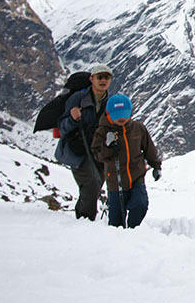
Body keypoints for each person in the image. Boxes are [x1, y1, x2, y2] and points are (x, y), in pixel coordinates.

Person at [91, 93, 162, 228]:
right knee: (116, 222)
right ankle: (118, 240)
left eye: (124, 114)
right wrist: (108, 145)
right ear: (109, 115)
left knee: (140, 204)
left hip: (136, 177)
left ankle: (133, 231)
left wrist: (156, 166)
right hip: (115, 182)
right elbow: (97, 154)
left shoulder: (138, 128)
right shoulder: (103, 131)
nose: (122, 119)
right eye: (118, 116)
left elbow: (149, 148)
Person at [55, 63, 113, 221]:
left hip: (98, 151)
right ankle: (85, 221)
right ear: (91, 79)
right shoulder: (78, 98)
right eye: (99, 77)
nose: (103, 80)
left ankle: (82, 216)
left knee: (96, 183)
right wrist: (73, 119)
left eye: (106, 77)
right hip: (79, 150)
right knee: (91, 184)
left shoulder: (110, 102)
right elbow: (62, 127)